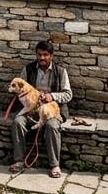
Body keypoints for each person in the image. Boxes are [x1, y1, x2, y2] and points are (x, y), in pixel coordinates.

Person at [10, 40, 73, 178]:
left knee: (52, 126)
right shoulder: (28, 70)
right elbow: (19, 88)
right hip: (31, 110)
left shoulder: (61, 72)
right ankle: (19, 161)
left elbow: (68, 94)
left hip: (52, 110)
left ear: (51, 55)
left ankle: (55, 165)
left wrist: (52, 96)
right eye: (39, 55)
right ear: (36, 55)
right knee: (17, 122)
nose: (42, 58)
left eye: (45, 55)